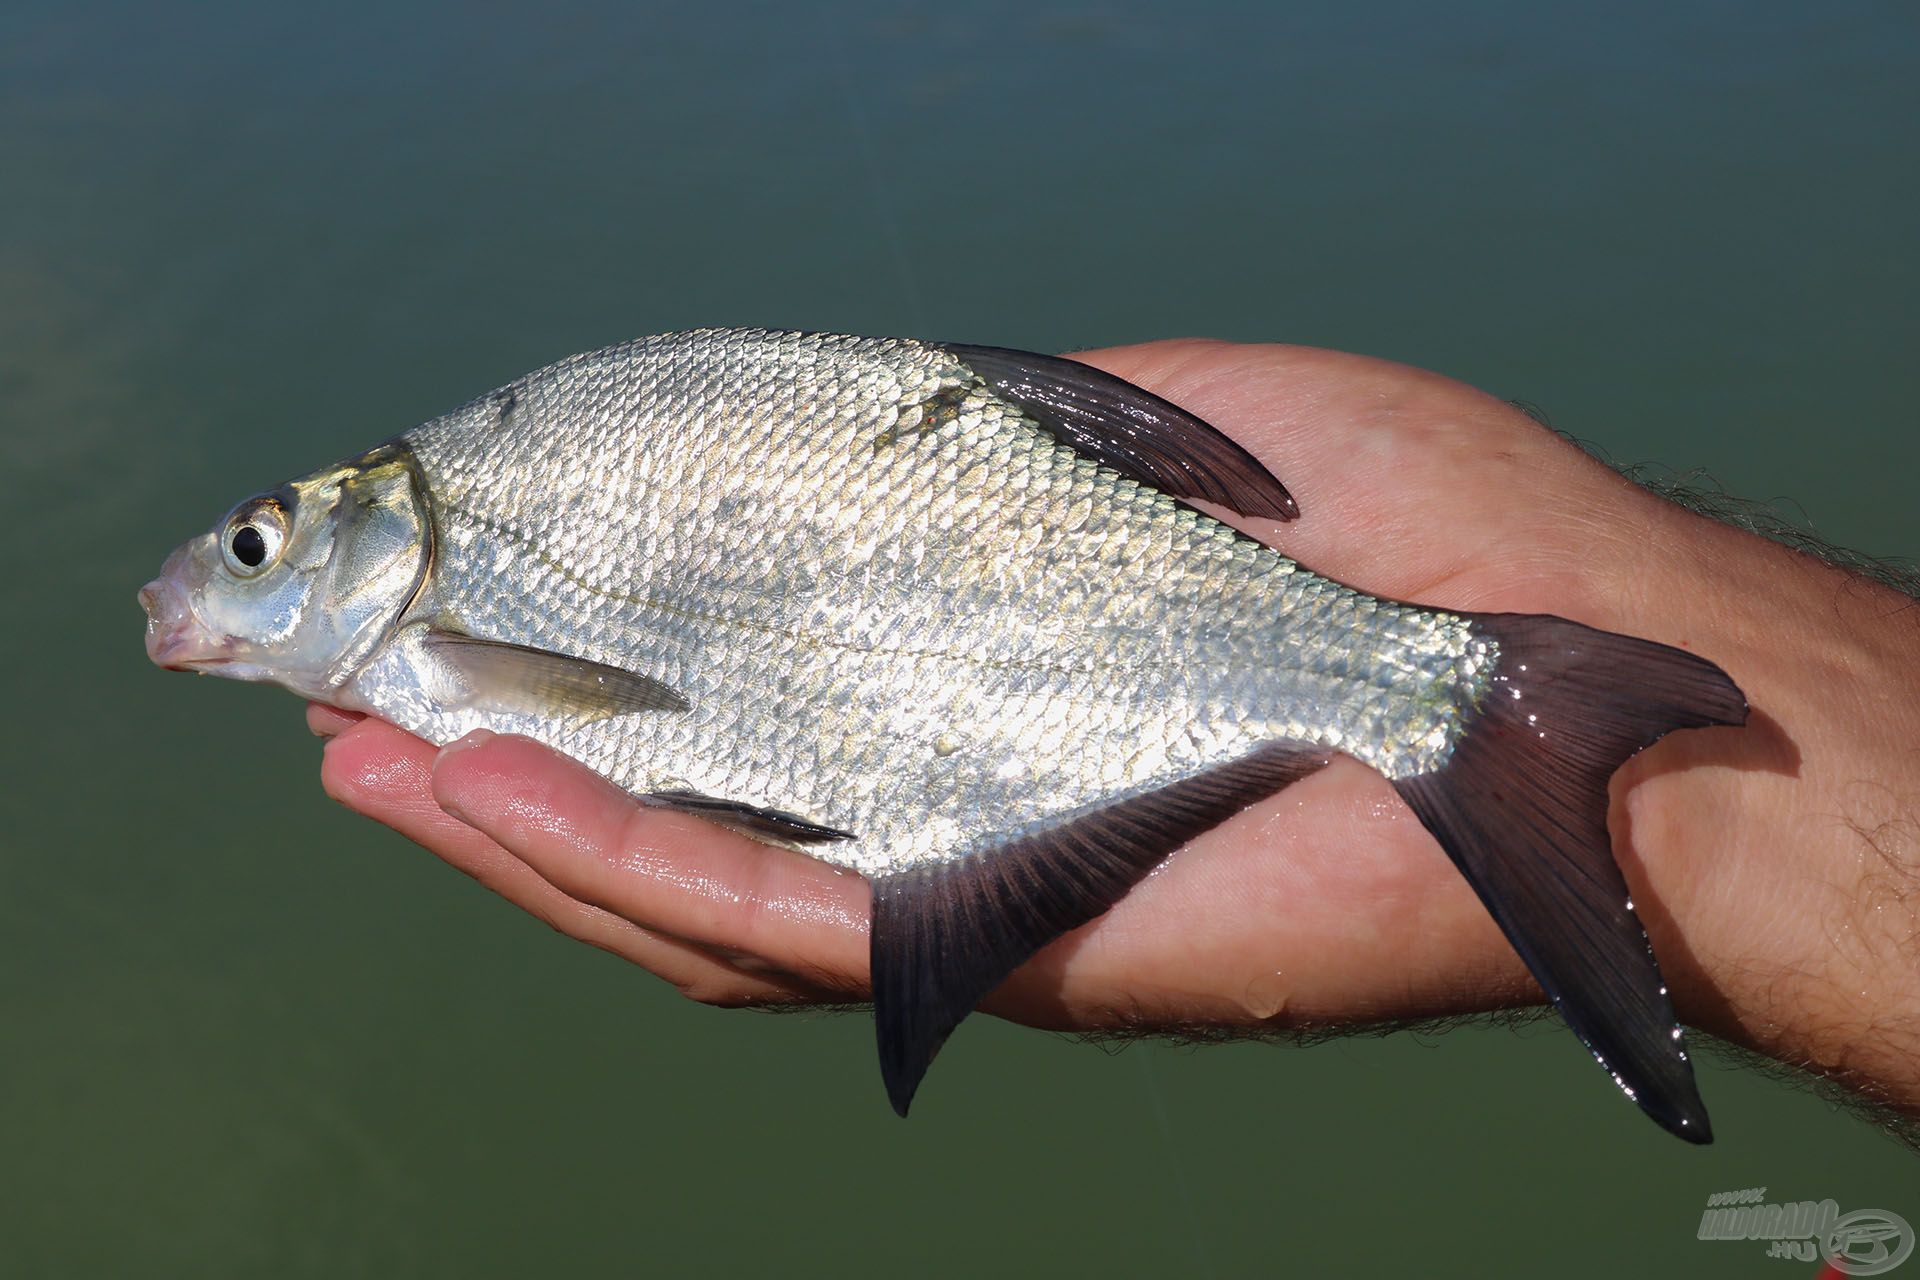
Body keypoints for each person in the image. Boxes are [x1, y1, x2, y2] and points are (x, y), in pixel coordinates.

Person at [305, 340, 1920, 1126]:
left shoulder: (473, 503)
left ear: (387, 544)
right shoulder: (509, 472)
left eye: (257, 550)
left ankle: (1467, 716)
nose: (219, 584)